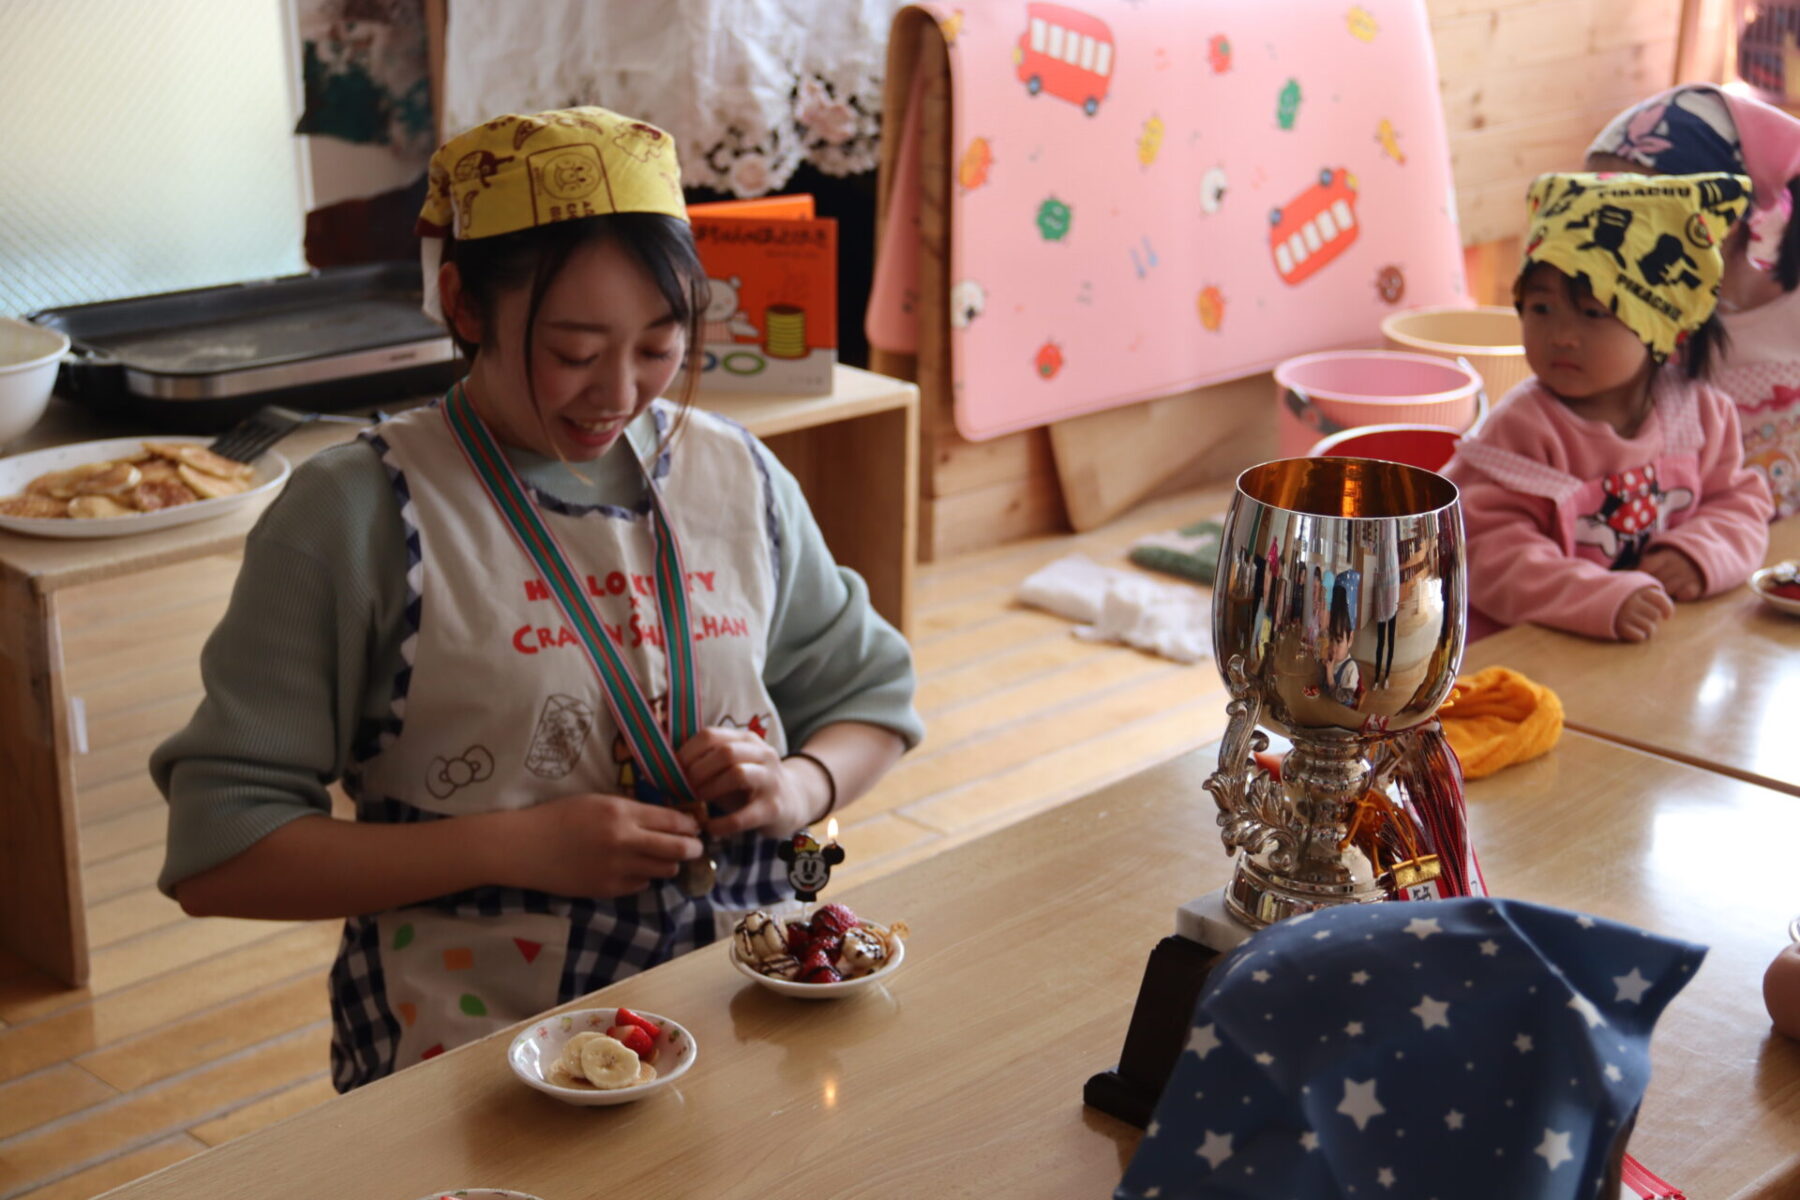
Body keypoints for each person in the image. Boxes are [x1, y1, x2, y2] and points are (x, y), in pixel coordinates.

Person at [152, 106, 923, 1091]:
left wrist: (795, 789)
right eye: (573, 351)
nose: (621, 393)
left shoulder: (736, 476)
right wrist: (511, 846)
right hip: (478, 1053)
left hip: (741, 1011)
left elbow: (872, 702)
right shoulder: (355, 511)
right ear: (464, 305)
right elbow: (224, 855)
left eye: (660, 346)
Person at [1443, 171, 1773, 643]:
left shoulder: (1700, 414)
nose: (1561, 335)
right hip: (1531, 653)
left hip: (1658, 651)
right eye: (1541, 308)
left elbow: (1740, 505)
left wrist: (1696, 554)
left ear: (1657, 323)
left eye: (1593, 313)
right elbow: (1486, 552)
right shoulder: (1520, 427)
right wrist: (1599, 597)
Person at [1586, 84, 1800, 519]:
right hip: (1689, 552)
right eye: (1598, 207)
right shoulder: (1620, 329)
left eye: (1642, 212)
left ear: (1727, 216)